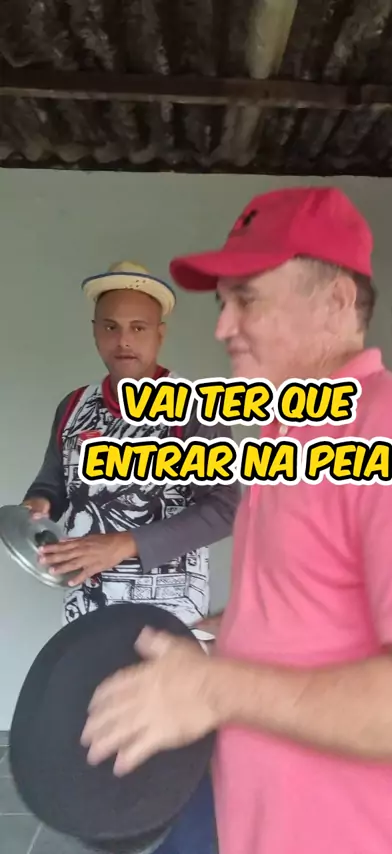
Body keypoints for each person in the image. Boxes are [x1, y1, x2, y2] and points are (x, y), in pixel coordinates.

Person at [80, 190, 392, 854]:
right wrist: (209, 636)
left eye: (247, 300)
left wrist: (217, 689)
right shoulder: (289, 438)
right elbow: (312, 604)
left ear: (337, 301)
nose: (223, 327)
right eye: (222, 303)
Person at [22, 259, 241, 854]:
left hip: (167, 610)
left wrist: (125, 544)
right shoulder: (73, 407)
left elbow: (227, 507)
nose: (124, 340)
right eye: (111, 326)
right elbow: (53, 481)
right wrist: (39, 504)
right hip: (87, 604)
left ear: (160, 334)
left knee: (171, 745)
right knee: (98, 728)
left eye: (139, 328)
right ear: (95, 331)